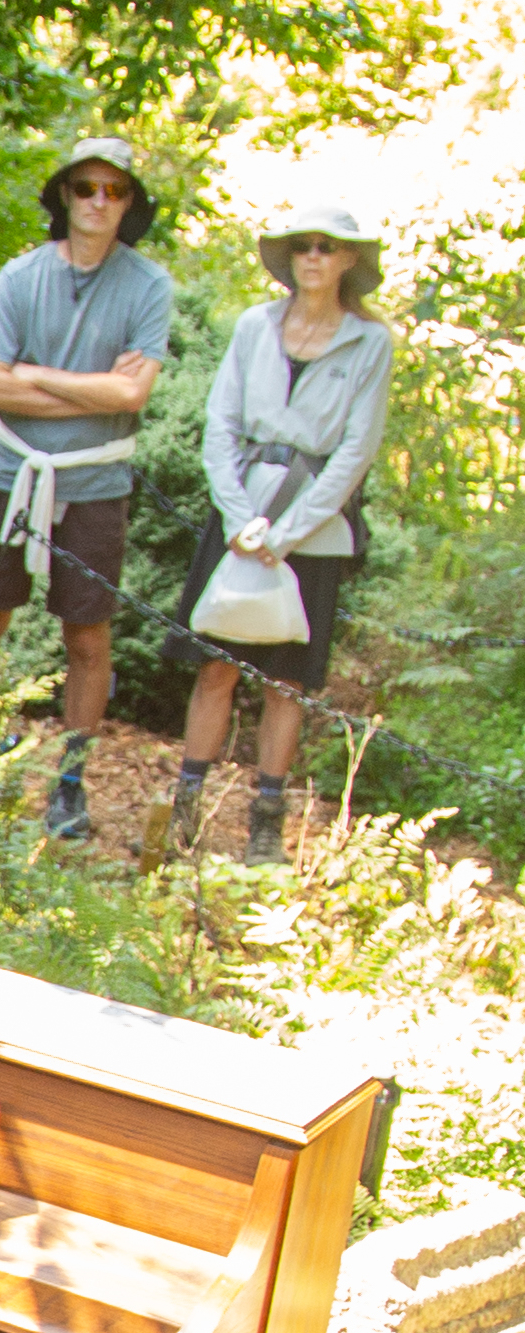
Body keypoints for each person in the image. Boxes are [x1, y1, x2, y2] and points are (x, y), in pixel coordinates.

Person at [0, 134, 178, 846]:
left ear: (130, 204)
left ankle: (69, 782)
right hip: (10, 472)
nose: (99, 202)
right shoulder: (22, 276)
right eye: (87, 189)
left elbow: (132, 394)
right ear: (65, 196)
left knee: (88, 633)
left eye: (115, 191)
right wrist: (89, 388)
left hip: (96, 480)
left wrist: (36, 375)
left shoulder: (149, 286)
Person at [169, 202, 394, 869]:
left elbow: (355, 453)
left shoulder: (369, 342)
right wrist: (241, 522)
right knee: (214, 668)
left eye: (328, 247)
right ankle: (187, 809)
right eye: (304, 247)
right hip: (241, 516)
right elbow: (220, 425)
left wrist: (289, 534)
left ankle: (265, 824)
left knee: (286, 683)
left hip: (315, 530)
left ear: (350, 259)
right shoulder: (253, 326)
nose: (314, 257)